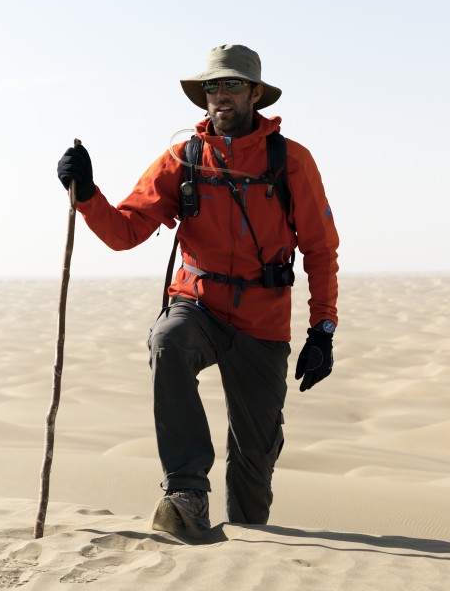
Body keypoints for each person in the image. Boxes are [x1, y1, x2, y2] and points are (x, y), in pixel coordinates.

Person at [56, 44, 340, 538]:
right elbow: (126, 232)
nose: (220, 94)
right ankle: (186, 493)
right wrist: (86, 194)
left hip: (263, 321)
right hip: (198, 305)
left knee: (255, 455)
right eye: (212, 86)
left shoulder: (291, 160)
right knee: (168, 342)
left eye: (232, 84)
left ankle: (250, 546)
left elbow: (320, 248)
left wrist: (323, 330)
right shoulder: (182, 158)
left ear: (255, 93)